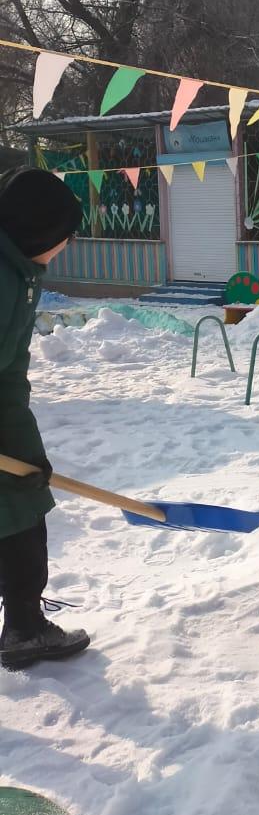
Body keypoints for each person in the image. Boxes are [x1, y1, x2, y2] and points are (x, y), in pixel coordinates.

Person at [0, 166, 90, 671]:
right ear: (37, 231)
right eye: (64, 235)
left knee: (23, 502)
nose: (68, 244)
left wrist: (19, 437)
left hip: (2, 403)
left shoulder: (20, 273)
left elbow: (9, 364)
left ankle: (24, 627)